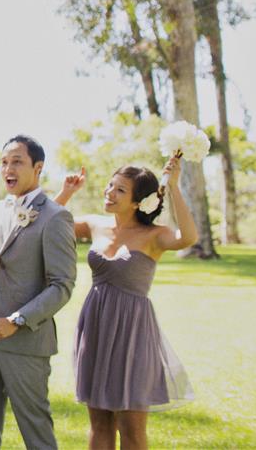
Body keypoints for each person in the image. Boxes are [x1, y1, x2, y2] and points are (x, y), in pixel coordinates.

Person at [55, 154, 196, 450]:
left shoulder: (155, 235)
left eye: (120, 189)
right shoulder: (95, 224)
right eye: (110, 185)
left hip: (133, 334)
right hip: (95, 327)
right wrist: (67, 192)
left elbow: (188, 237)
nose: (109, 192)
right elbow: (49, 222)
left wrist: (174, 187)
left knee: (131, 427)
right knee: (99, 423)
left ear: (138, 202)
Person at [0, 136, 77, 450]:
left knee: (35, 429)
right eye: (4, 162)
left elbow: (62, 285)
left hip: (26, 340)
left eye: (17, 162)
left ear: (38, 167)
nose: (8, 169)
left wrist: (17, 320)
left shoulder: (55, 217)